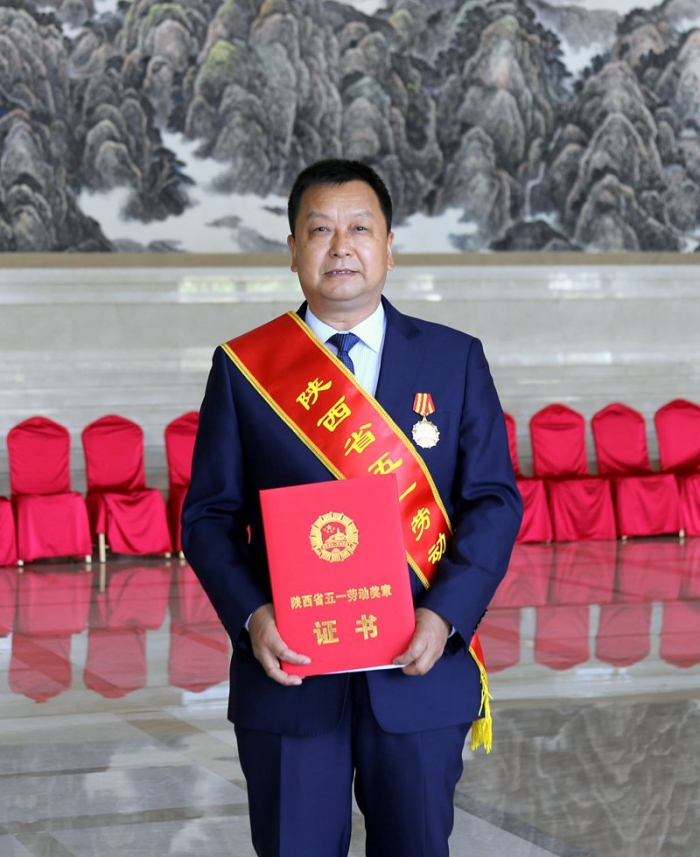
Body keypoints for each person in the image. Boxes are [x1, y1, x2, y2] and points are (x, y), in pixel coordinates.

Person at [182, 158, 523, 857]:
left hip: (420, 664)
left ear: (389, 246)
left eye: (360, 229)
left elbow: (492, 501)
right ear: (293, 250)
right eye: (320, 230)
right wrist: (253, 616)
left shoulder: (454, 360)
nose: (341, 247)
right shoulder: (246, 368)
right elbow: (209, 517)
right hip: (289, 671)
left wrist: (444, 615)